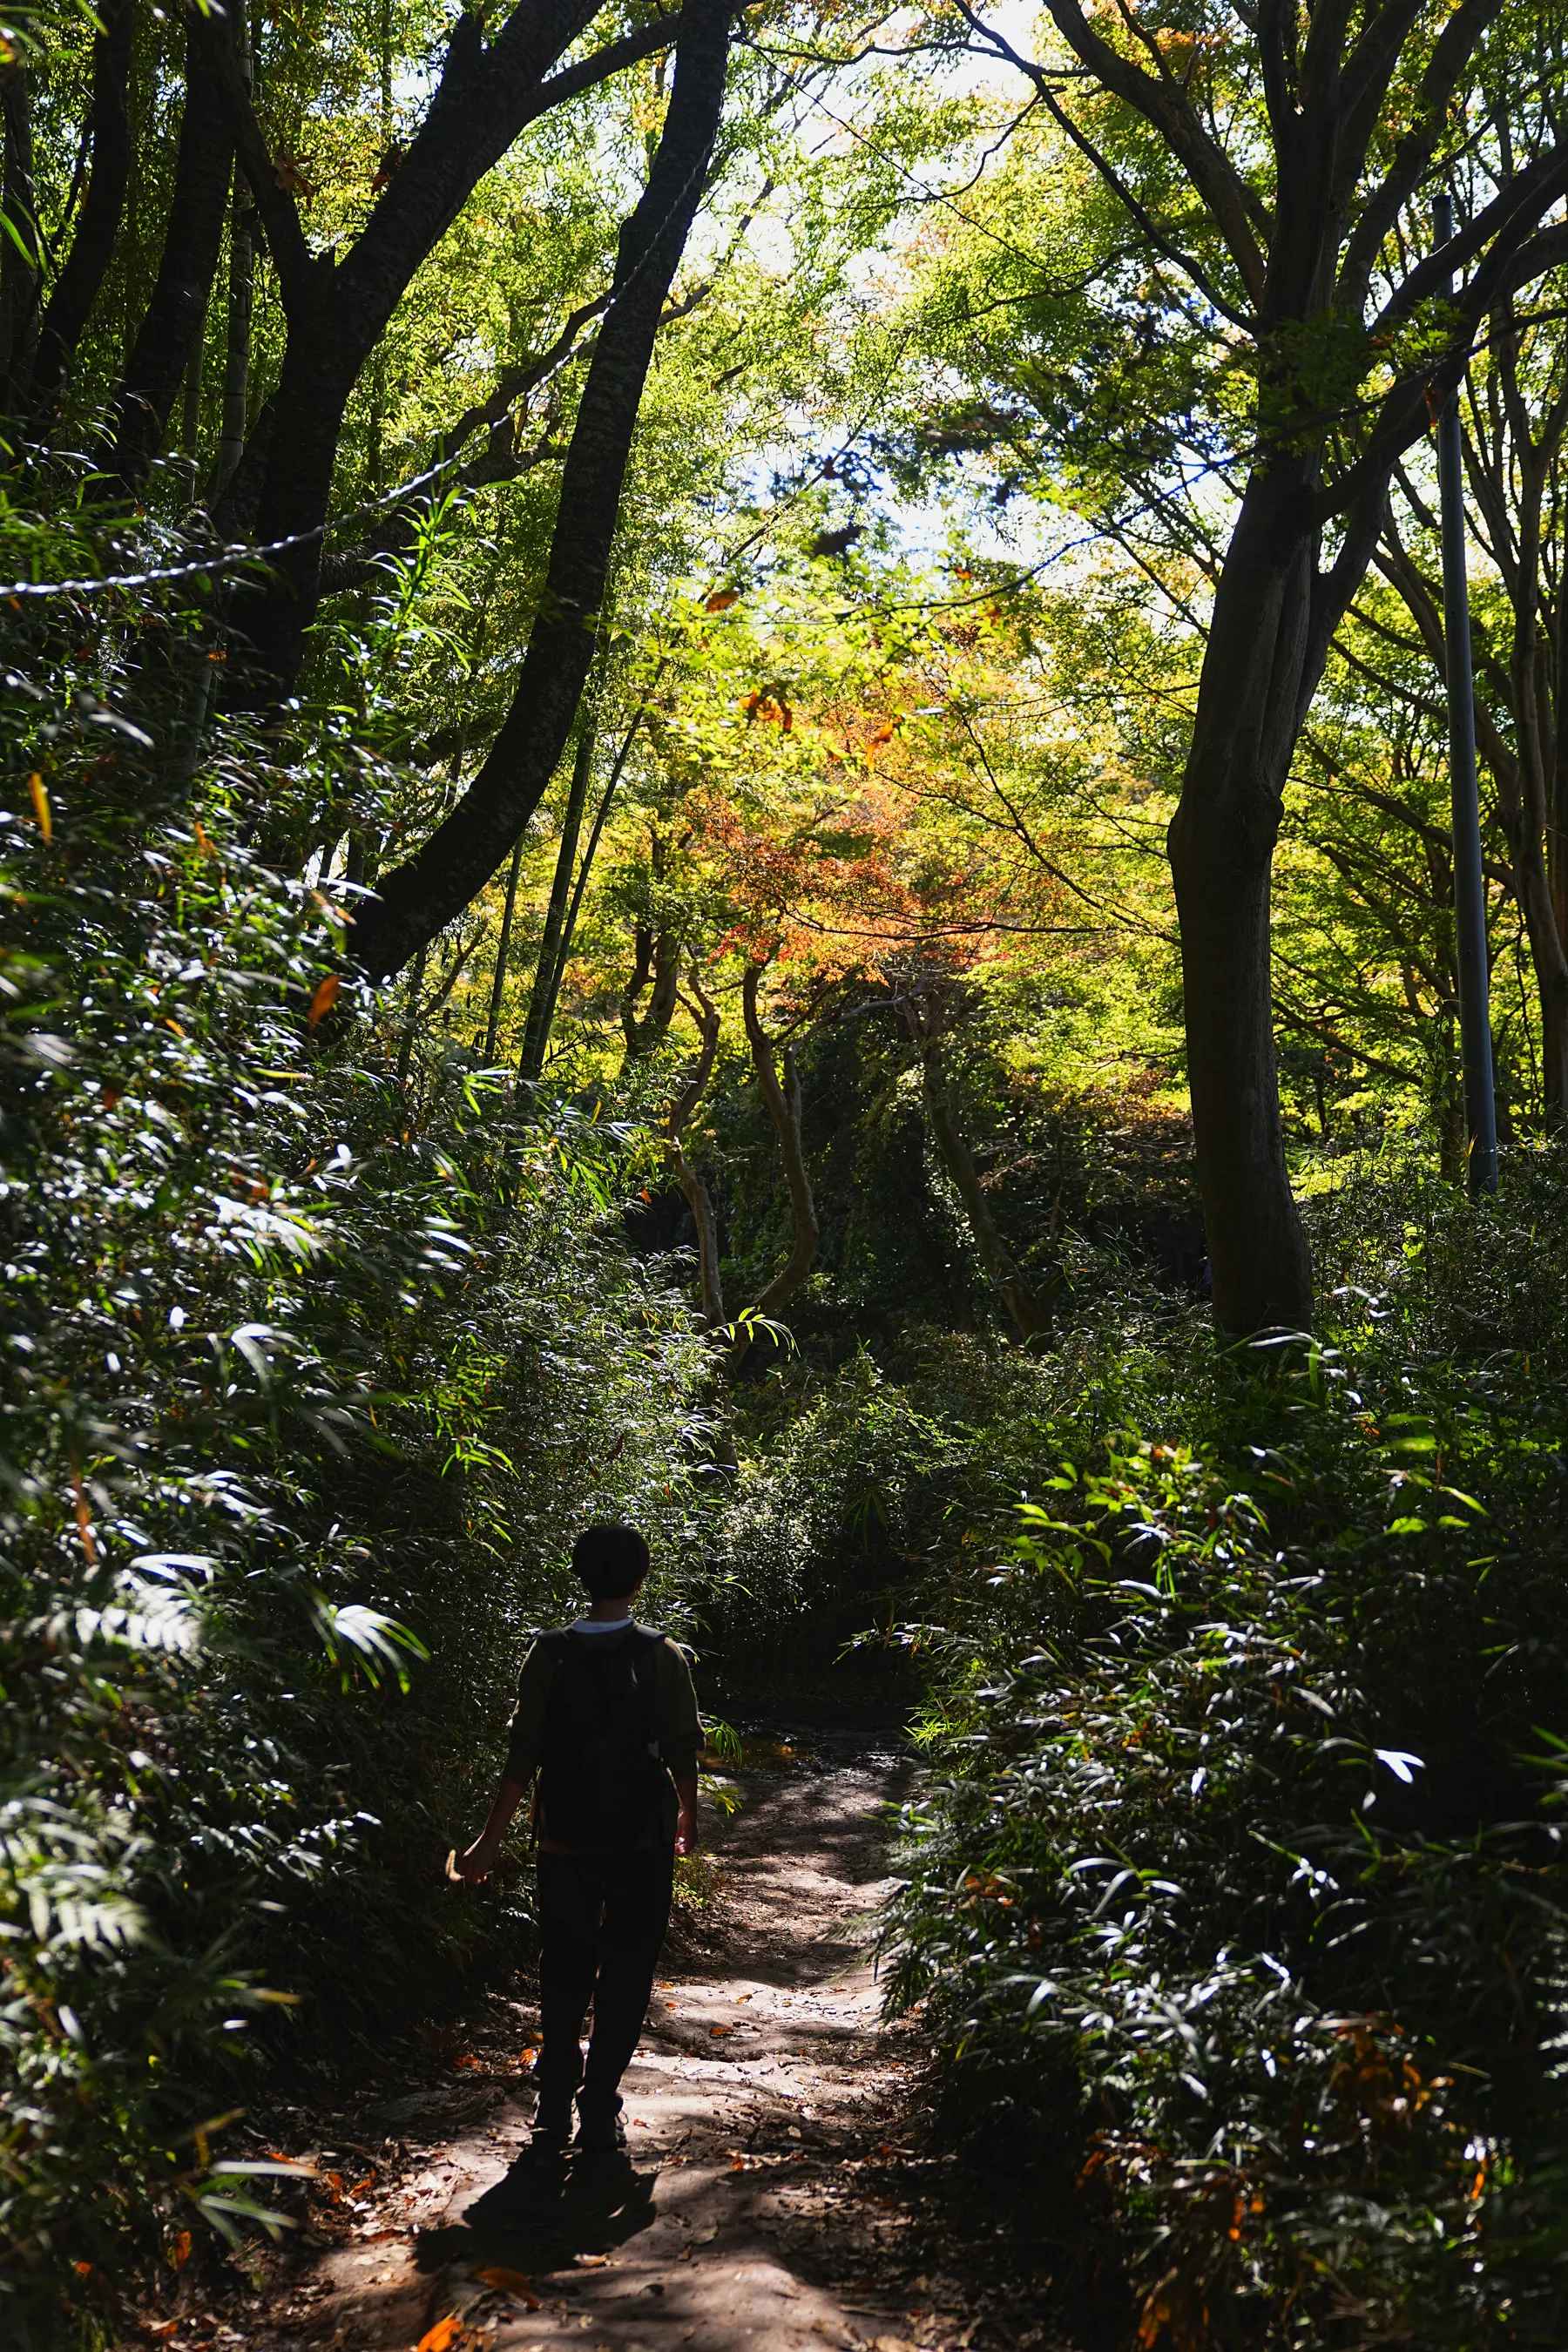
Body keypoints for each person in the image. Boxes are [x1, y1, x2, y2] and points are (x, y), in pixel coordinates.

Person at [456, 1523, 701, 2153]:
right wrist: (688, 1816)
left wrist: (489, 1841)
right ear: (641, 1578)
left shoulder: (549, 1654)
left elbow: (522, 1756)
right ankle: (599, 2106)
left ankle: (554, 2099)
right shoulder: (660, 1655)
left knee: (564, 1964)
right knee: (627, 1966)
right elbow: (682, 1749)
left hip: (562, 1836)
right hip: (639, 1841)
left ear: (580, 1575)